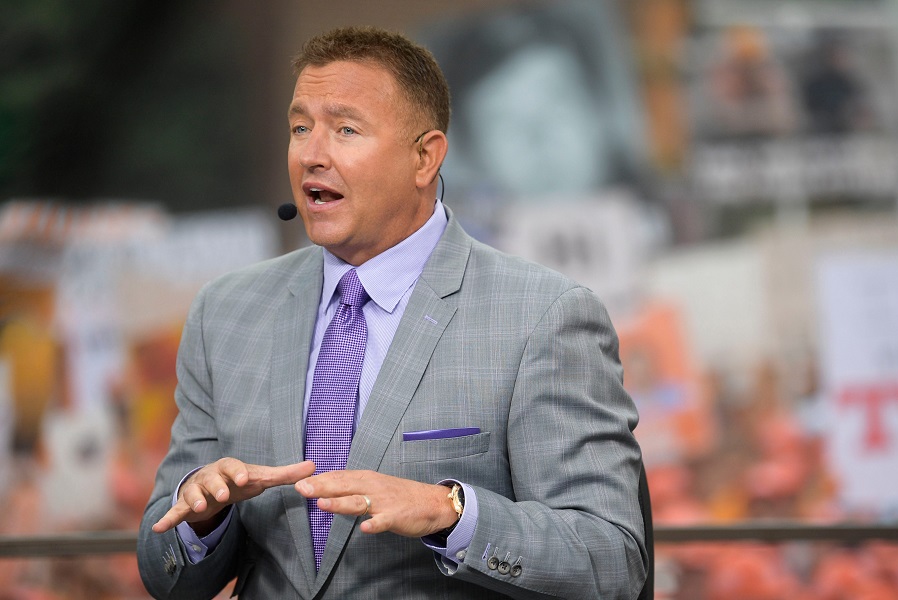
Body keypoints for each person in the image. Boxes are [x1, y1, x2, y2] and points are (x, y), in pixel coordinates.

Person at [137, 26, 646, 599]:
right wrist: (203, 522)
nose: (311, 154)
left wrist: (450, 512)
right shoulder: (224, 314)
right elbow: (166, 575)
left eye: (345, 130)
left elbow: (611, 560)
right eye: (300, 127)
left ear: (425, 156)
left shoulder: (543, 316)